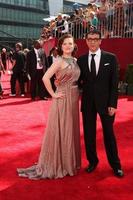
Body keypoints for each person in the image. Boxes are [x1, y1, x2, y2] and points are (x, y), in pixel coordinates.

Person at [17, 34, 81, 179]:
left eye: (70, 43)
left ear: (74, 45)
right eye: (65, 44)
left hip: (73, 99)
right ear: (60, 46)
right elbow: (45, 77)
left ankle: (69, 162)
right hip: (63, 99)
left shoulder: (75, 60)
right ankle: (61, 163)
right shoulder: (58, 61)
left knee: (70, 129)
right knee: (62, 128)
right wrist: (53, 94)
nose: (68, 46)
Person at [77, 29, 124, 178]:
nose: (92, 41)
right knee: (89, 135)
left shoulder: (111, 58)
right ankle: (92, 162)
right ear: (86, 41)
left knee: (109, 134)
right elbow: (77, 82)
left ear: (100, 41)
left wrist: (113, 104)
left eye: (95, 39)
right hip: (88, 103)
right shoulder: (81, 60)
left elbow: (114, 83)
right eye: (89, 39)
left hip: (106, 104)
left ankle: (116, 165)